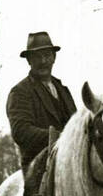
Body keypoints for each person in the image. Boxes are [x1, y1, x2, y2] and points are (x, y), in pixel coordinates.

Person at [7, 31, 77, 179]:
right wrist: (59, 137)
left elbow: (74, 123)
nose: (43, 61)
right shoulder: (20, 92)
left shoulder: (63, 89)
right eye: (37, 57)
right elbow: (21, 131)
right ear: (29, 61)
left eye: (47, 55)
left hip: (70, 160)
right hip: (39, 166)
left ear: (54, 58)